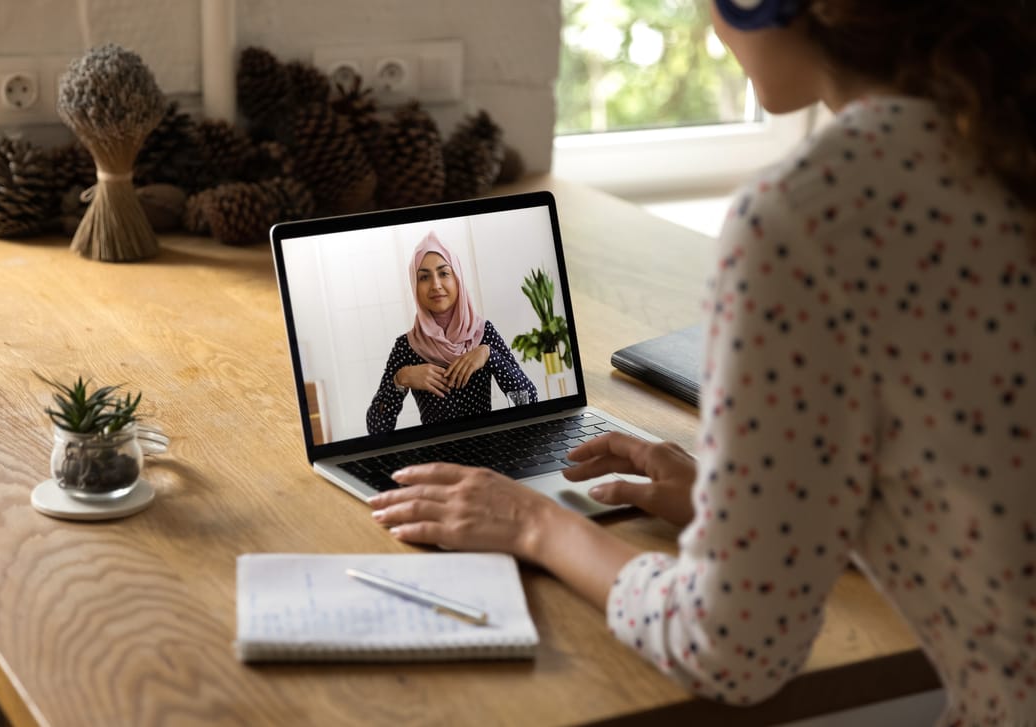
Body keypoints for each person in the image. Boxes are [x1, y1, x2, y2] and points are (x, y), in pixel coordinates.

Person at [366, 1, 1036, 723]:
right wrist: (752, 511)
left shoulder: (807, 217)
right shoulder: (1001, 135)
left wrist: (538, 523)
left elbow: (728, 644)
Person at [366, 232, 538, 434]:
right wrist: (400, 379)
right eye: (424, 277)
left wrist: (489, 355)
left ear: (457, 278)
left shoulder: (483, 333)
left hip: (488, 449)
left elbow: (530, 401)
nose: (435, 285)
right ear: (415, 286)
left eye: (444, 273)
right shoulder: (407, 346)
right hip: (437, 458)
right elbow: (377, 428)